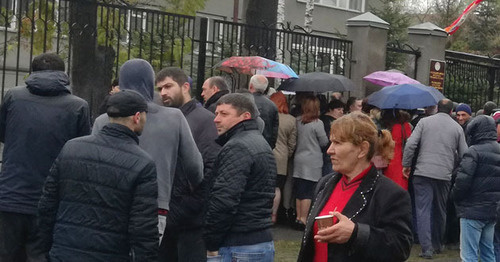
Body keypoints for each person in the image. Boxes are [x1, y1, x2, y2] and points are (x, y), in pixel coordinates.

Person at [38, 90, 158, 261]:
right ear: (137, 117)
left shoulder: (71, 148)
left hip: (64, 251)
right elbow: (143, 228)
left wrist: (47, 248)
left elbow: (47, 204)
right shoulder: (143, 163)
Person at [92, 59, 203, 243]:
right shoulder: (174, 118)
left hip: (110, 202)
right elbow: (194, 167)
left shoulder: (103, 120)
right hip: (155, 204)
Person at [0, 53, 90, 262]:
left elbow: (3, 133)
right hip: (51, 200)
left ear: (32, 73)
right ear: (63, 74)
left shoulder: (13, 97)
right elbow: (82, 148)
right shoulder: (78, 106)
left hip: (10, 196)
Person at [297, 112, 413, 261]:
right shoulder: (325, 184)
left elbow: (400, 248)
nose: (329, 150)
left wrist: (356, 233)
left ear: (362, 149)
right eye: (331, 142)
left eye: (338, 143)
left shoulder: (391, 194)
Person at [155, 67, 220, 261]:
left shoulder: (204, 120)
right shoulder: (162, 118)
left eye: (168, 86)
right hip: (164, 215)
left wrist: (188, 207)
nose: (163, 93)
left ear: (185, 87)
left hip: (190, 222)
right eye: (160, 89)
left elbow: (211, 168)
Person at [204, 93, 276, 261]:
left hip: (239, 244)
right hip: (256, 240)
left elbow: (224, 199)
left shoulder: (238, 146)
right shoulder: (259, 141)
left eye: (224, 114)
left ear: (245, 116)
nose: (216, 119)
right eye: (216, 113)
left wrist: (211, 243)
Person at [403, 99, 468, 259]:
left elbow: (411, 144)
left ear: (438, 108)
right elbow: (464, 153)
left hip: (423, 171)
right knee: (440, 209)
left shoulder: (424, 122)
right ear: (451, 111)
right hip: (444, 174)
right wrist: (454, 168)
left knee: (423, 209)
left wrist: (406, 164)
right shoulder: (457, 128)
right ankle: (438, 244)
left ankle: (426, 248)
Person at [450, 115, 500, 262]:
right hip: (492, 209)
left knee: (468, 254)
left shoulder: (473, 151)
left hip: (472, 209)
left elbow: (462, 181)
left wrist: (454, 197)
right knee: (488, 252)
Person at [293, 96, 329, 228]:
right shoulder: (317, 123)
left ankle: (297, 217)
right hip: (313, 159)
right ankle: (304, 218)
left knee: (299, 191)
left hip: (299, 158)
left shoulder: (298, 121)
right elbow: (324, 141)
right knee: (308, 191)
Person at [269, 91, 297, 224]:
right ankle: (274, 215)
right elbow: (292, 143)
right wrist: (287, 154)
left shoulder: (268, 116)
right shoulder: (291, 120)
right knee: (277, 188)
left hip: (267, 153)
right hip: (282, 157)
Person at [380, 109, 412, 190]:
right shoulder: (407, 126)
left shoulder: (390, 128)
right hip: (403, 159)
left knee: (389, 184)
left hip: (390, 158)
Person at [249, 74, 279, 149]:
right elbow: (274, 132)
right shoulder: (272, 105)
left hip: (246, 145)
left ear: (251, 86)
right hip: (265, 146)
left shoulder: (244, 101)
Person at [319, 99, 345, 175]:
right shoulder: (329, 122)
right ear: (330, 109)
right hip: (328, 153)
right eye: (338, 109)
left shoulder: (322, 119)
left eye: (342, 110)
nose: (341, 112)